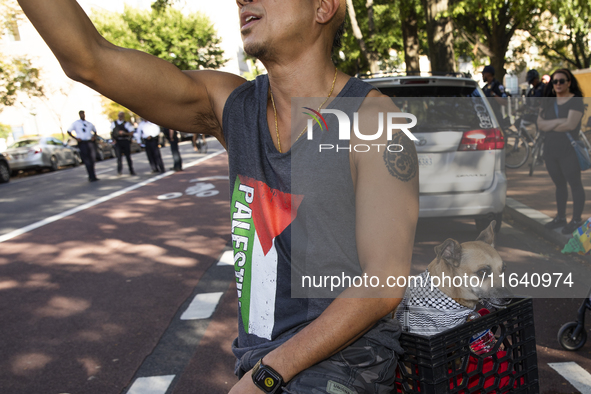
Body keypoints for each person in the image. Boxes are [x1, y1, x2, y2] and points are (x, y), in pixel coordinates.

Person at [17, 1, 418, 392]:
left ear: (323, 8)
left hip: (344, 362)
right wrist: (262, 373)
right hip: (258, 361)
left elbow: (383, 282)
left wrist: (266, 376)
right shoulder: (231, 105)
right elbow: (89, 59)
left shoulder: (376, 121)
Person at [538, 69, 586, 234]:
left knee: (575, 185)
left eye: (561, 81)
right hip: (551, 150)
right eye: (555, 81)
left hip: (568, 150)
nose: (558, 84)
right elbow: (540, 124)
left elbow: (571, 125)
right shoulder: (548, 102)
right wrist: (559, 121)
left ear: (569, 82)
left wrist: (550, 124)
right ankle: (560, 217)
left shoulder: (575, 101)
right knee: (559, 185)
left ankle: (576, 220)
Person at [68, 110, 99, 182]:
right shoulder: (75, 123)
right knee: (87, 160)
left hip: (90, 143)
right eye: (81, 114)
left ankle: (93, 175)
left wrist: (94, 137)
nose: (82, 115)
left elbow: (95, 131)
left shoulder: (89, 123)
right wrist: (76, 138)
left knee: (92, 159)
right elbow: (69, 131)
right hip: (82, 143)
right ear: (79, 115)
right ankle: (91, 176)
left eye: (83, 114)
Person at [111, 111, 136, 176]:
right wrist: (113, 139)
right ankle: (119, 171)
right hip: (118, 142)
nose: (120, 117)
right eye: (119, 115)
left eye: (121, 116)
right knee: (119, 157)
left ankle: (131, 170)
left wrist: (124, 133)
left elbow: (131, 133)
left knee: (128, 157)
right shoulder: (114, 123)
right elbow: (112, 133)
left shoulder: (127, 124)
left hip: (125, 141)